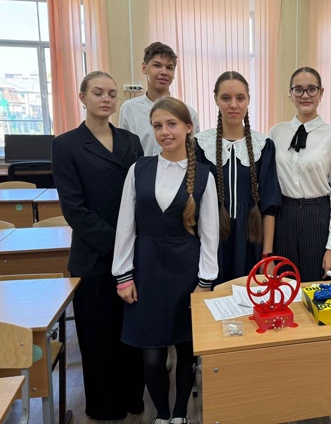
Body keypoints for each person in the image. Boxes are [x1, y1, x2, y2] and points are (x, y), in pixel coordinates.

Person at [112, 97, 219, 424]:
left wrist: (205, 282)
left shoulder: (204, 175)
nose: (164, 132)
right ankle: (160, 413)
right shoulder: (138, 169)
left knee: (186, 349)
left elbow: (210, 234)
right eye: (157, 125)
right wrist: (123, 275)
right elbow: (125, 225)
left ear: (188, 128)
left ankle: (179, 414)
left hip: (186, 272)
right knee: (153, 357)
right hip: (145, 270)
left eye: (171, 124)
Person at [51, 71, 145, 420]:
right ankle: (106, 407)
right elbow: (74, 209)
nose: (106, 99)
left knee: (130, 335)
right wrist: (118, 245)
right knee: (98, 337)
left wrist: (133, 246)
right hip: (94, 257)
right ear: (82, 97)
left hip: (132, 256)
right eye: (98, 92)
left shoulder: (130, 141)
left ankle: (133, 399)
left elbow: (140, 196)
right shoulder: (66, 145)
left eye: (111, 93)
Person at [195, 71, 281, 283]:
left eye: (240, 98)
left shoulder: (264, 145)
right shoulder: (200, 144)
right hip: (212, 239)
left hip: (251, 238)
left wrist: (267, 255)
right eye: (226, 98)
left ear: (248, 100)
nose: (233, 105)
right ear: (216, 99)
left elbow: (269, 205)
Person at [269, 67, 331, 282]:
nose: (305, 95)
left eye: (311, 89)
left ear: (321, 92)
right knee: (284, 283)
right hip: (284, 216)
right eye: (298, 89)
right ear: (290, 93)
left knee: (316, 284)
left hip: (318, 216)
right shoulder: (276, 132)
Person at [119, 41, 200, 155]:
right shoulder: (129, 109)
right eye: (157, 65)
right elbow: (124, 151)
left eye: (169, 67)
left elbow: (193, 153)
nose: (164, 72)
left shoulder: (188, 113)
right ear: (144, 68)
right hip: (139, 167)